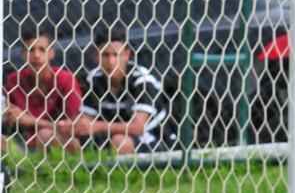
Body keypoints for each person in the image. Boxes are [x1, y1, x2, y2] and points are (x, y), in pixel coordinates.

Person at [56, 25, 172, 155]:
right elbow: (87, 120)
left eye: (116, 55)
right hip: (110, 136)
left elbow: (138, 127)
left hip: (155, 140)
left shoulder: (142, 80)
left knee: (119, 141)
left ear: (127, 55)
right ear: (96, 56)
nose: (111, 62)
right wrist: (73, 126)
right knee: (61, 138)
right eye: (105, 55)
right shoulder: (94, 78)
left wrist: (97, 126)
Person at [2, 25, 83, 150]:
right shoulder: (14, 81)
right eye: (31, 50)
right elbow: (8, 117)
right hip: (23, 144)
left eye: (42, 50)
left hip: (61, 141)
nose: (36, 55)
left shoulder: (65, 79)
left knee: (45, 135)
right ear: (23, 54)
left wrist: (32, 121)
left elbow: (75, 127)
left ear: (51, 53)